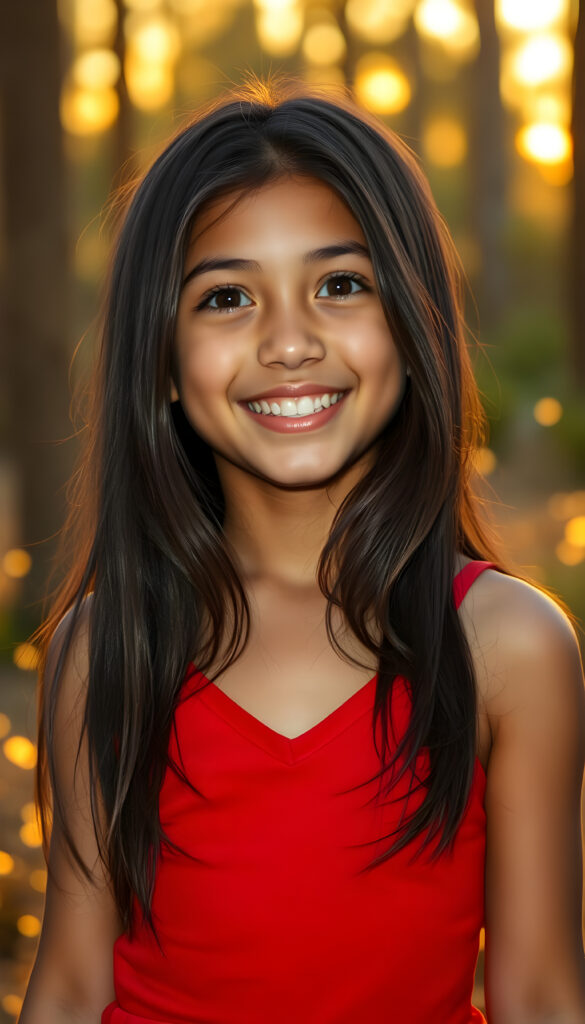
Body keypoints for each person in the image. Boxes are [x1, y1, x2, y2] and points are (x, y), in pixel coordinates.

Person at [19, 79, 585, 1024]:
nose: (288, 341)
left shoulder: (509, 647)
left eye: (339, 284)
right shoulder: (106, 646)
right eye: (227, 297)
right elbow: (73, 984)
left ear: (410, 321)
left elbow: (539, 994)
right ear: (159, 357)